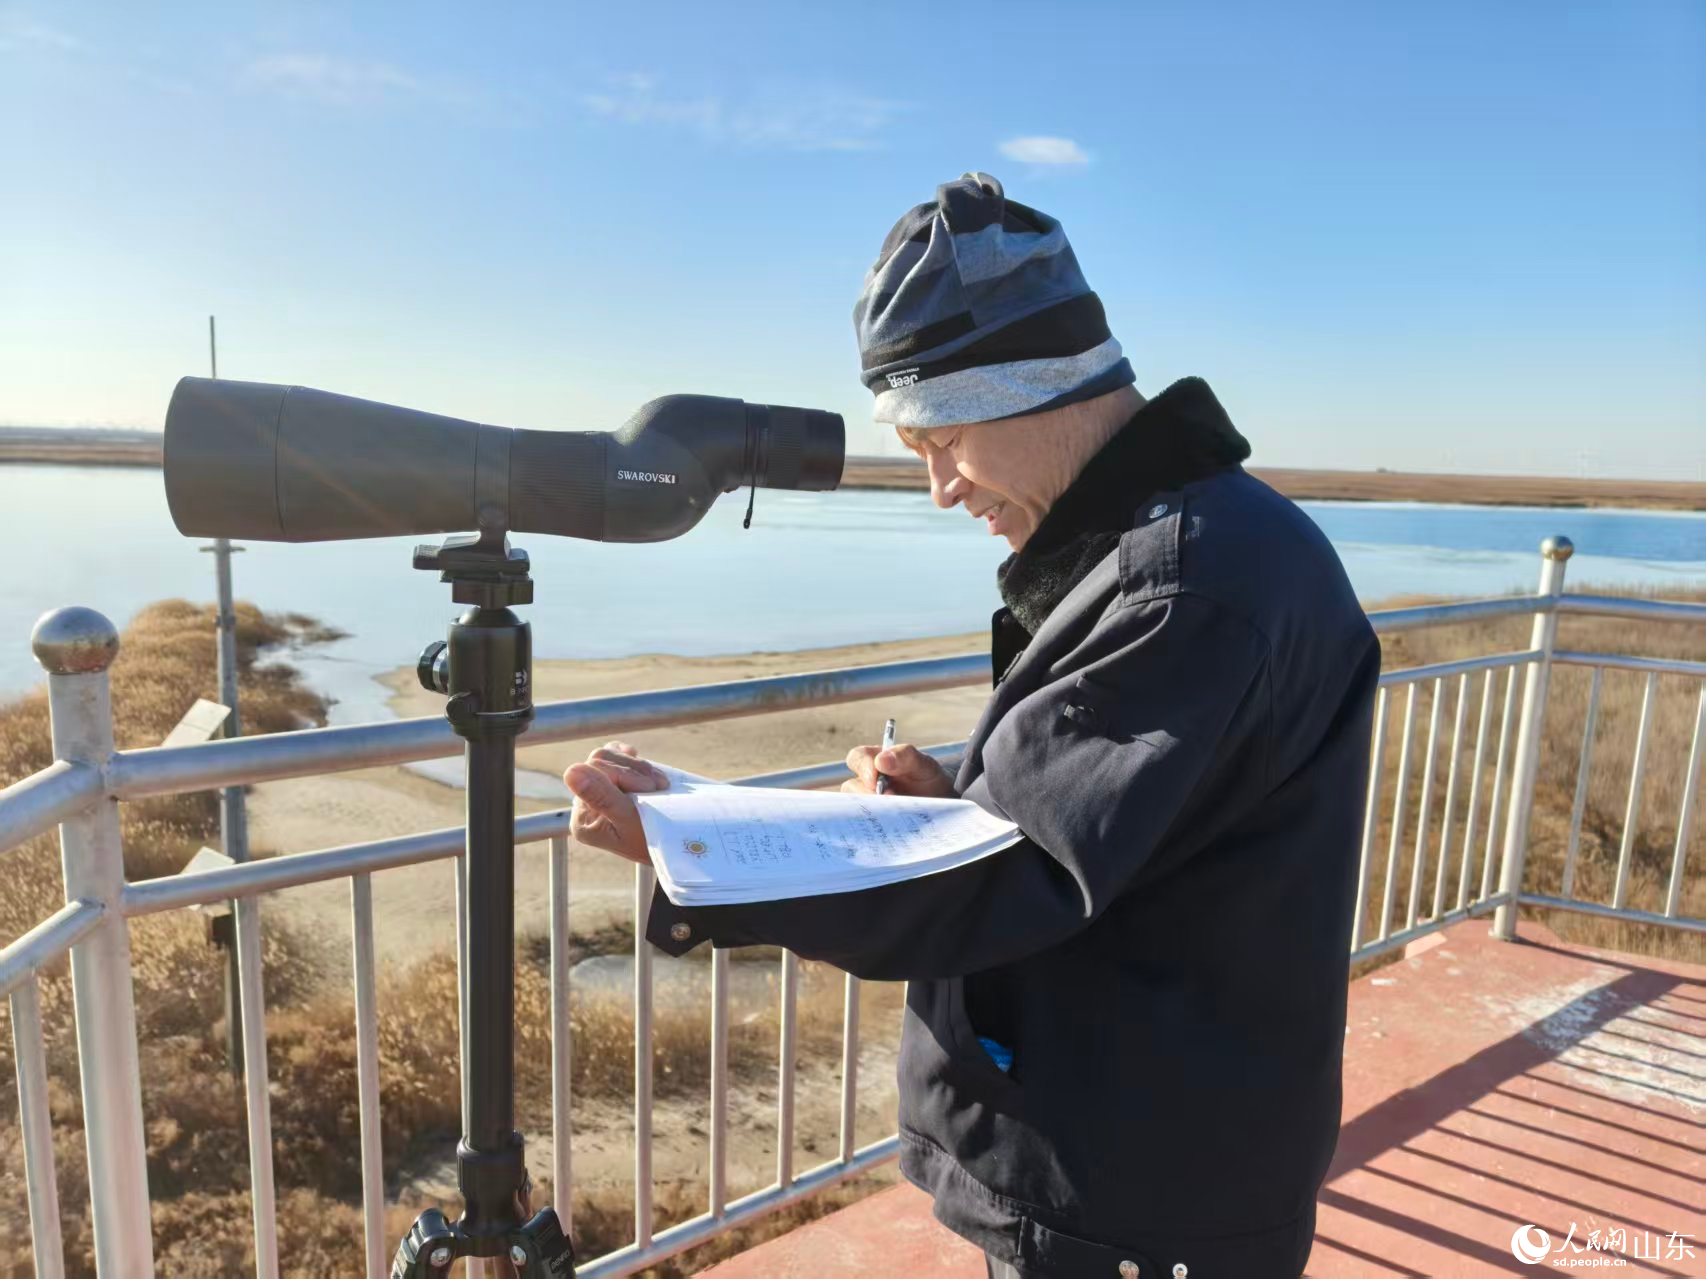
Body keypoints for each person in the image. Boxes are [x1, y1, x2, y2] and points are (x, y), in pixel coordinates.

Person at [565, 173, 1380, 1279]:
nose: (941, 488)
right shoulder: (1196, 543)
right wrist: (950, 788)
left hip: (1132, 1195)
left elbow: (1004, 881)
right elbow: (1127, 818)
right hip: (1154, 1156)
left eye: (937, 440)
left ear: (1026, 388)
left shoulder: (1180, 589)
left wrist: (693, 849)